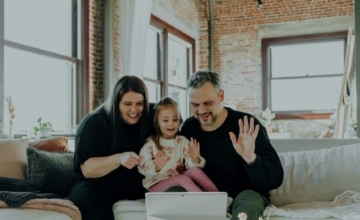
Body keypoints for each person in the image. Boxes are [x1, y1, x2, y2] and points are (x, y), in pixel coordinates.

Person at [179, 71, 284, 220]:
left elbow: (275, 178)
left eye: (208, 103)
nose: (201, 111)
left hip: (246, 195)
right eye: (195, 105)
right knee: (173, 192)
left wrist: (250, 158)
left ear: (221, 96)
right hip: (205, 195)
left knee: (247, 201)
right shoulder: (189, 128)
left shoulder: (247, 125)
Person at [69, 75, 153, 220]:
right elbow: (87, 170)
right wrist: (119, 158)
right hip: (97, 185)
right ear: (116, 102)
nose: (134, 110)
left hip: (138, 184)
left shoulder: (151, 116)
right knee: (89, 200)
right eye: (127, 104)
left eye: (140, 103)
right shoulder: (94, 123)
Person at [138, 96, 218, 192]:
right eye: (165, 120)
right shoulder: (150, 145)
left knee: (195, 171)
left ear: (179, 120)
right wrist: (156, 167)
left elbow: (191, 166)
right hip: (156, 186)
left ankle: (219, 197)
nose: (171, 124)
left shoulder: (182, 141)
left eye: (175, 119)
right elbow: (142, 168)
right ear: (157, 123)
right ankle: (205, 202)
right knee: (183, 179)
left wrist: (195, 159)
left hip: (178, 182)